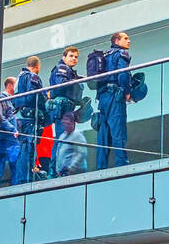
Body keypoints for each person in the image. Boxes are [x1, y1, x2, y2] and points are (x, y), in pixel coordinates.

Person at [95, 32, 133, 169]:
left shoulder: (105, 55)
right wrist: (127, 92)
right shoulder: (121, 54)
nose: (129, 41)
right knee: (118, 131)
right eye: (126, 38)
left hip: (102, 97)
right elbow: (123, 74)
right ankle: (122, 164)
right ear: (117, 41)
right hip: (115, 95)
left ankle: (101, 166)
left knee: (103, 133)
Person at [12, 57, 44, 184]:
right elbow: (34, 96)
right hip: (29, 117)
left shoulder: (19, 78)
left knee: (22, 149)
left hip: (19, 117)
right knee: (29, 149)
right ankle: (26, 179)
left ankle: (21, 179)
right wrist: (45, 102)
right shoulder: (33, 76)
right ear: (37, 65)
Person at [0, 94, 19, 189]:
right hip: (7, 137)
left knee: (1, 166)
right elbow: (1, 117)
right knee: (14, 165)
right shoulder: (3, 98)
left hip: (4, 137)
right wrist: (13, 129)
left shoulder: (7, 99)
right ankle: (14, 188)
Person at [51, 108, 87, 177]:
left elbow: (82, 153)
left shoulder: (77, 135)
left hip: (75, 174)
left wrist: (71, 168)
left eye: (66, 123)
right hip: (63, 173)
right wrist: (58, 170)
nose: (64, 125)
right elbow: (58, 154)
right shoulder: (62, 136)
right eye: (63, 122)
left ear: (72, 123)